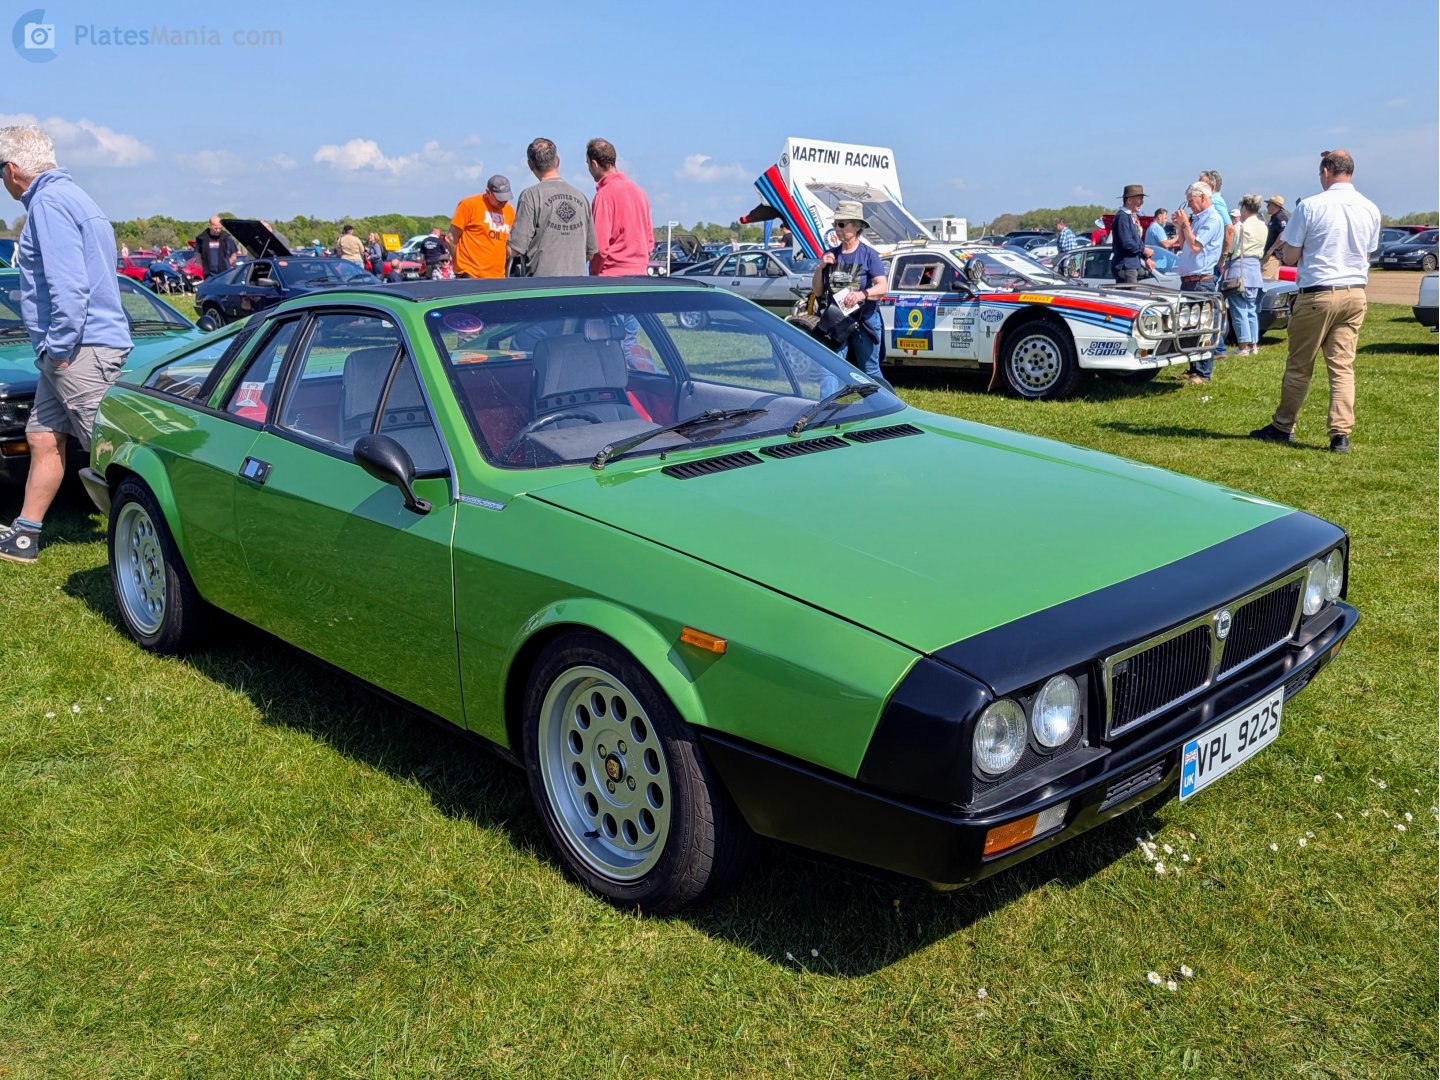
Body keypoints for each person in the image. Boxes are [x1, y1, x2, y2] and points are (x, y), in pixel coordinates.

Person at [0, 124, 132, 563]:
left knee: (116, 453)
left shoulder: (50, 204)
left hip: (77, 349)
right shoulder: (75, 197)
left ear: (14, 168)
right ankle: (26, 535)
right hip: (68, 350)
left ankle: (153, 541)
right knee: (41, 436)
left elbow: (70, 288)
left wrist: (58, 350)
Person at [1250, 150, 1380, 453]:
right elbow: (1367, 252)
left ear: (1325, 171)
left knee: (1300, 364)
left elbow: (1292, 256)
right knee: (1342, 366)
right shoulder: (1370, 208)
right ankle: (1340, 434)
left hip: (1318, 292)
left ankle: (1283, 425)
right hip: (1355, 292)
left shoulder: (1310, 206)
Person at [811, 199, 887, 382]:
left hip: (864, 321)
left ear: (857, 226)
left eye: (842, 224)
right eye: (835, 224)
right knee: (829, 370)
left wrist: (862, 294)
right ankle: (828, 410)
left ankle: (882, 408)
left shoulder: (869, 255)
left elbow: (882, 287)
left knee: (869, 371)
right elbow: (818, 291)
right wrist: (820, 268)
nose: (837, 228)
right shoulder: (830, 254)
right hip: (836, 321)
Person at [508, 137, 596, 277]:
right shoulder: (581, 198)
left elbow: (515, 249)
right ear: (558, 160)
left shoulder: (531, 196)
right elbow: (590, 252)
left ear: (530, 165)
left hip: (541, 288)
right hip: (576, 287)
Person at [1172, 181, 1224, 384]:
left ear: (1203, 197)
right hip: (1190, 280)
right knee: (1190, 326)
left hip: (1201, 281)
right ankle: (1194, 367)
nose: (1190, 206)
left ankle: (1204, 372)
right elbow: (1184, 243)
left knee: (1203, 327)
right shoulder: (1199, 218)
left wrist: (1185, 223)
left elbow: (1195, 246)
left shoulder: (1213, 219)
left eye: (1191, 201)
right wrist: (1180, 227)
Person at [586, 138, 652, 277]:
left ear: (594, 164)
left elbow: (600, 247)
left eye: (588, 164)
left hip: (611, 277)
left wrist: (593, 273)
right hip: (640, 274)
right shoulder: (639, 192)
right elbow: (649, 241)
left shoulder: (604, 196)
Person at [1225, 194, 1268, 356]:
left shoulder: (1240, 227)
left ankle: (1243, 345)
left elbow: (1232, 249)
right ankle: (1253, 344)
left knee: (1238, 309)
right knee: (1251, 309)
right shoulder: (1264, 227)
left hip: (1240, 268)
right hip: (1255, 269)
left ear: (1244, 208)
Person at [448, 174, 514, 279]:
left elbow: (507, 243)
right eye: (499, 199)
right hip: (471, 275)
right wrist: (460, 267)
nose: (503, 202)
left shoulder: (509, 211)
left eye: (506, 198)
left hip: (498, 277)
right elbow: (451, 238)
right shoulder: (469, 204)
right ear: (488, 192)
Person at [1111, 184, 1154, 283]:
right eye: (1140, 199)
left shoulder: (1129, 217)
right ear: (1129, 200)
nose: (1142, 202)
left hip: (1130, 267)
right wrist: (1143, 250)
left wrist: (1146, 258)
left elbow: (1136, 241)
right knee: (1129, 298)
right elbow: (1127, 243)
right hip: (1126, 267)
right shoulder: (1122, 217)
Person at [1261, 194, 1289, 280]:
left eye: (1269, 205)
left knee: (1264, 280)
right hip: (1272, 255)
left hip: (1273, 256)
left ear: (1275, 206)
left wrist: (1271, 249)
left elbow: (1283, 234)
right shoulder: (1274, 218)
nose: (1267, 207)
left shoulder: (1280, 218)